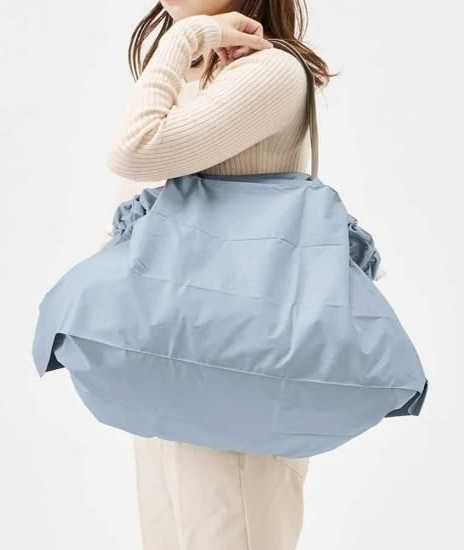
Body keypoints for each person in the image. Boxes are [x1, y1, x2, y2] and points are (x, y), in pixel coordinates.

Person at [104, 2, 335, 549]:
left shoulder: (269, 70)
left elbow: (135, 151)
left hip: (236, 375)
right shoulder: (200, 76)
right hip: (174, 363)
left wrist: (184, 37)